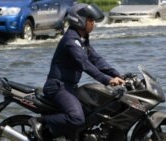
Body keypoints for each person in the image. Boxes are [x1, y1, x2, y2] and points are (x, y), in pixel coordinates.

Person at [28, 3, 125, 141]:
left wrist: (117, 74)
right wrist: (108, 80)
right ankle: (40, 121)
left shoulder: (82, 40)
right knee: (77, 118)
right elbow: (84, 64)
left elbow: (97, 60)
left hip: (70, 88)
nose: (94, 24)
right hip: (57, 87)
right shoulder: (71, 41)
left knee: (93, 113)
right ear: (79, 20)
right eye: (91, 20)